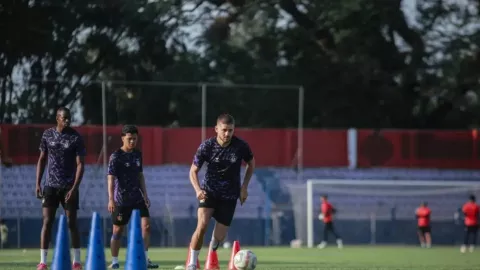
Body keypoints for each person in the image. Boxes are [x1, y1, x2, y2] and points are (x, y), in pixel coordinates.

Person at [186, 114, 255, 270]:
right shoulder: (207, 146)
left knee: (219, 237)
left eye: (230, 130)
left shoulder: (241, 146)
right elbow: (193, 171)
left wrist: (244, 187)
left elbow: (251, 163)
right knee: (201, 226)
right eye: (224, 130)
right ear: (216, 129)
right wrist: (198, 190)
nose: (227, 134)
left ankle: (213, 245)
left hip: (230, 196)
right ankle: (192, 263)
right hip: (209, 192)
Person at [36, 107, 85, 270]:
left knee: (72, 223)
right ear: (57, 118)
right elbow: (42, 159)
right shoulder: (47, 135)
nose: (67, 120)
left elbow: (80, 165)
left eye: (69, 118)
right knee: (47, 222)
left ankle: (76, 262)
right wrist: (38, 183)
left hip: (68, 187)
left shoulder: (76, 137)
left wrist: (74, 188)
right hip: (50, 186)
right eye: (64, 118)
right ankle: (43, 262)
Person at [107, 125, 158, 269]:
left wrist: (145, 195)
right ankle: (115, 261)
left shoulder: (137, 154)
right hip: (121, 200)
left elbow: (140, 175)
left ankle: (145, 259)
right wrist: (111, 199)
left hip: (137, 198)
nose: (132, 142)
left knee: (146, 227)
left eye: (135, 139)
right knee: (118, 231)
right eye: (129, 139)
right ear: (123, 138)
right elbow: (110, 178)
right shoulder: (116, 156)